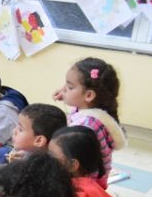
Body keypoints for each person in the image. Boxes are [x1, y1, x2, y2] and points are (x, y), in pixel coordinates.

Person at [52, 57, 126, 188]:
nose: (63, 89)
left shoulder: (86, 125)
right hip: (97, 177)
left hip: (86, 183)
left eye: (69, 87)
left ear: (89, 95)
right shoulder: (90, 109)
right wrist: (65, 93)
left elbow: (72, 160)